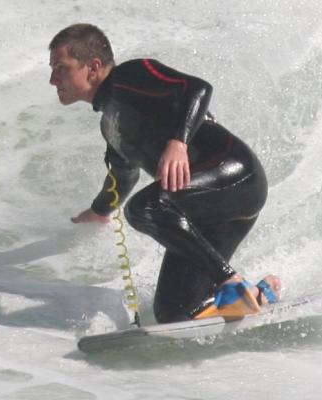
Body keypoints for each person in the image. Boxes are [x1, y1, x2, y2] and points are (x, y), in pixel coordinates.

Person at [49, 23, 281, 323]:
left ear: (93, 67)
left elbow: (197, 88)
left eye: (61, 68)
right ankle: (262, 295)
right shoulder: (110, 125)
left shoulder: (130, 76)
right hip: (204, 212)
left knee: (144, 207)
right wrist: (98, 211)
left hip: (237, 177)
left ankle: (229, 281)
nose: (53, 79)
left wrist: (178, 142)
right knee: (174, 313)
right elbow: (123, 176)